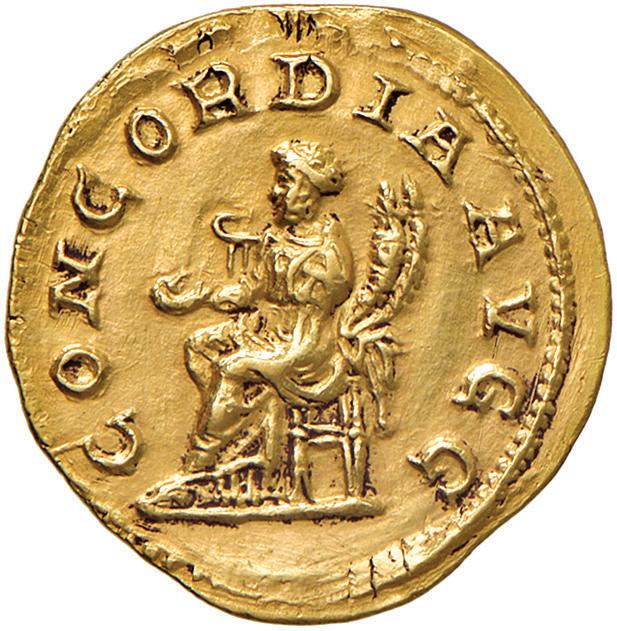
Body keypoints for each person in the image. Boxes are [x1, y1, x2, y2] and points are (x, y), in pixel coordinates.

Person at [152, 140, 354, 472]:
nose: (274, 193)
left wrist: (297, 286)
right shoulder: (274, 238)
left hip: (306, 346)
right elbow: (248, 292)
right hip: (265, 332)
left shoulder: (329, 245)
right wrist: (196, 298)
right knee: (198, 346)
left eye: (284, 183)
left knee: (231, 367)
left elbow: (334, 295)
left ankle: (202, 459)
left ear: (307, 189)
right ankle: (246, 421)